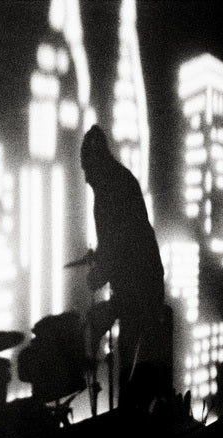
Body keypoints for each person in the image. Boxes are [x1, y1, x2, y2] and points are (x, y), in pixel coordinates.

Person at [80, 124, 171, 412]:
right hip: (144, 283)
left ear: (94, 162)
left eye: (86, 169)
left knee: (132, 363)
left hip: (138, 289)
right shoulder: (120, 180)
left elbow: (118, 244)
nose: (85, 177)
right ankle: (135, 417)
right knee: (136, 361)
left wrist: (98, 274)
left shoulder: (108, 189)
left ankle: (130, 425)